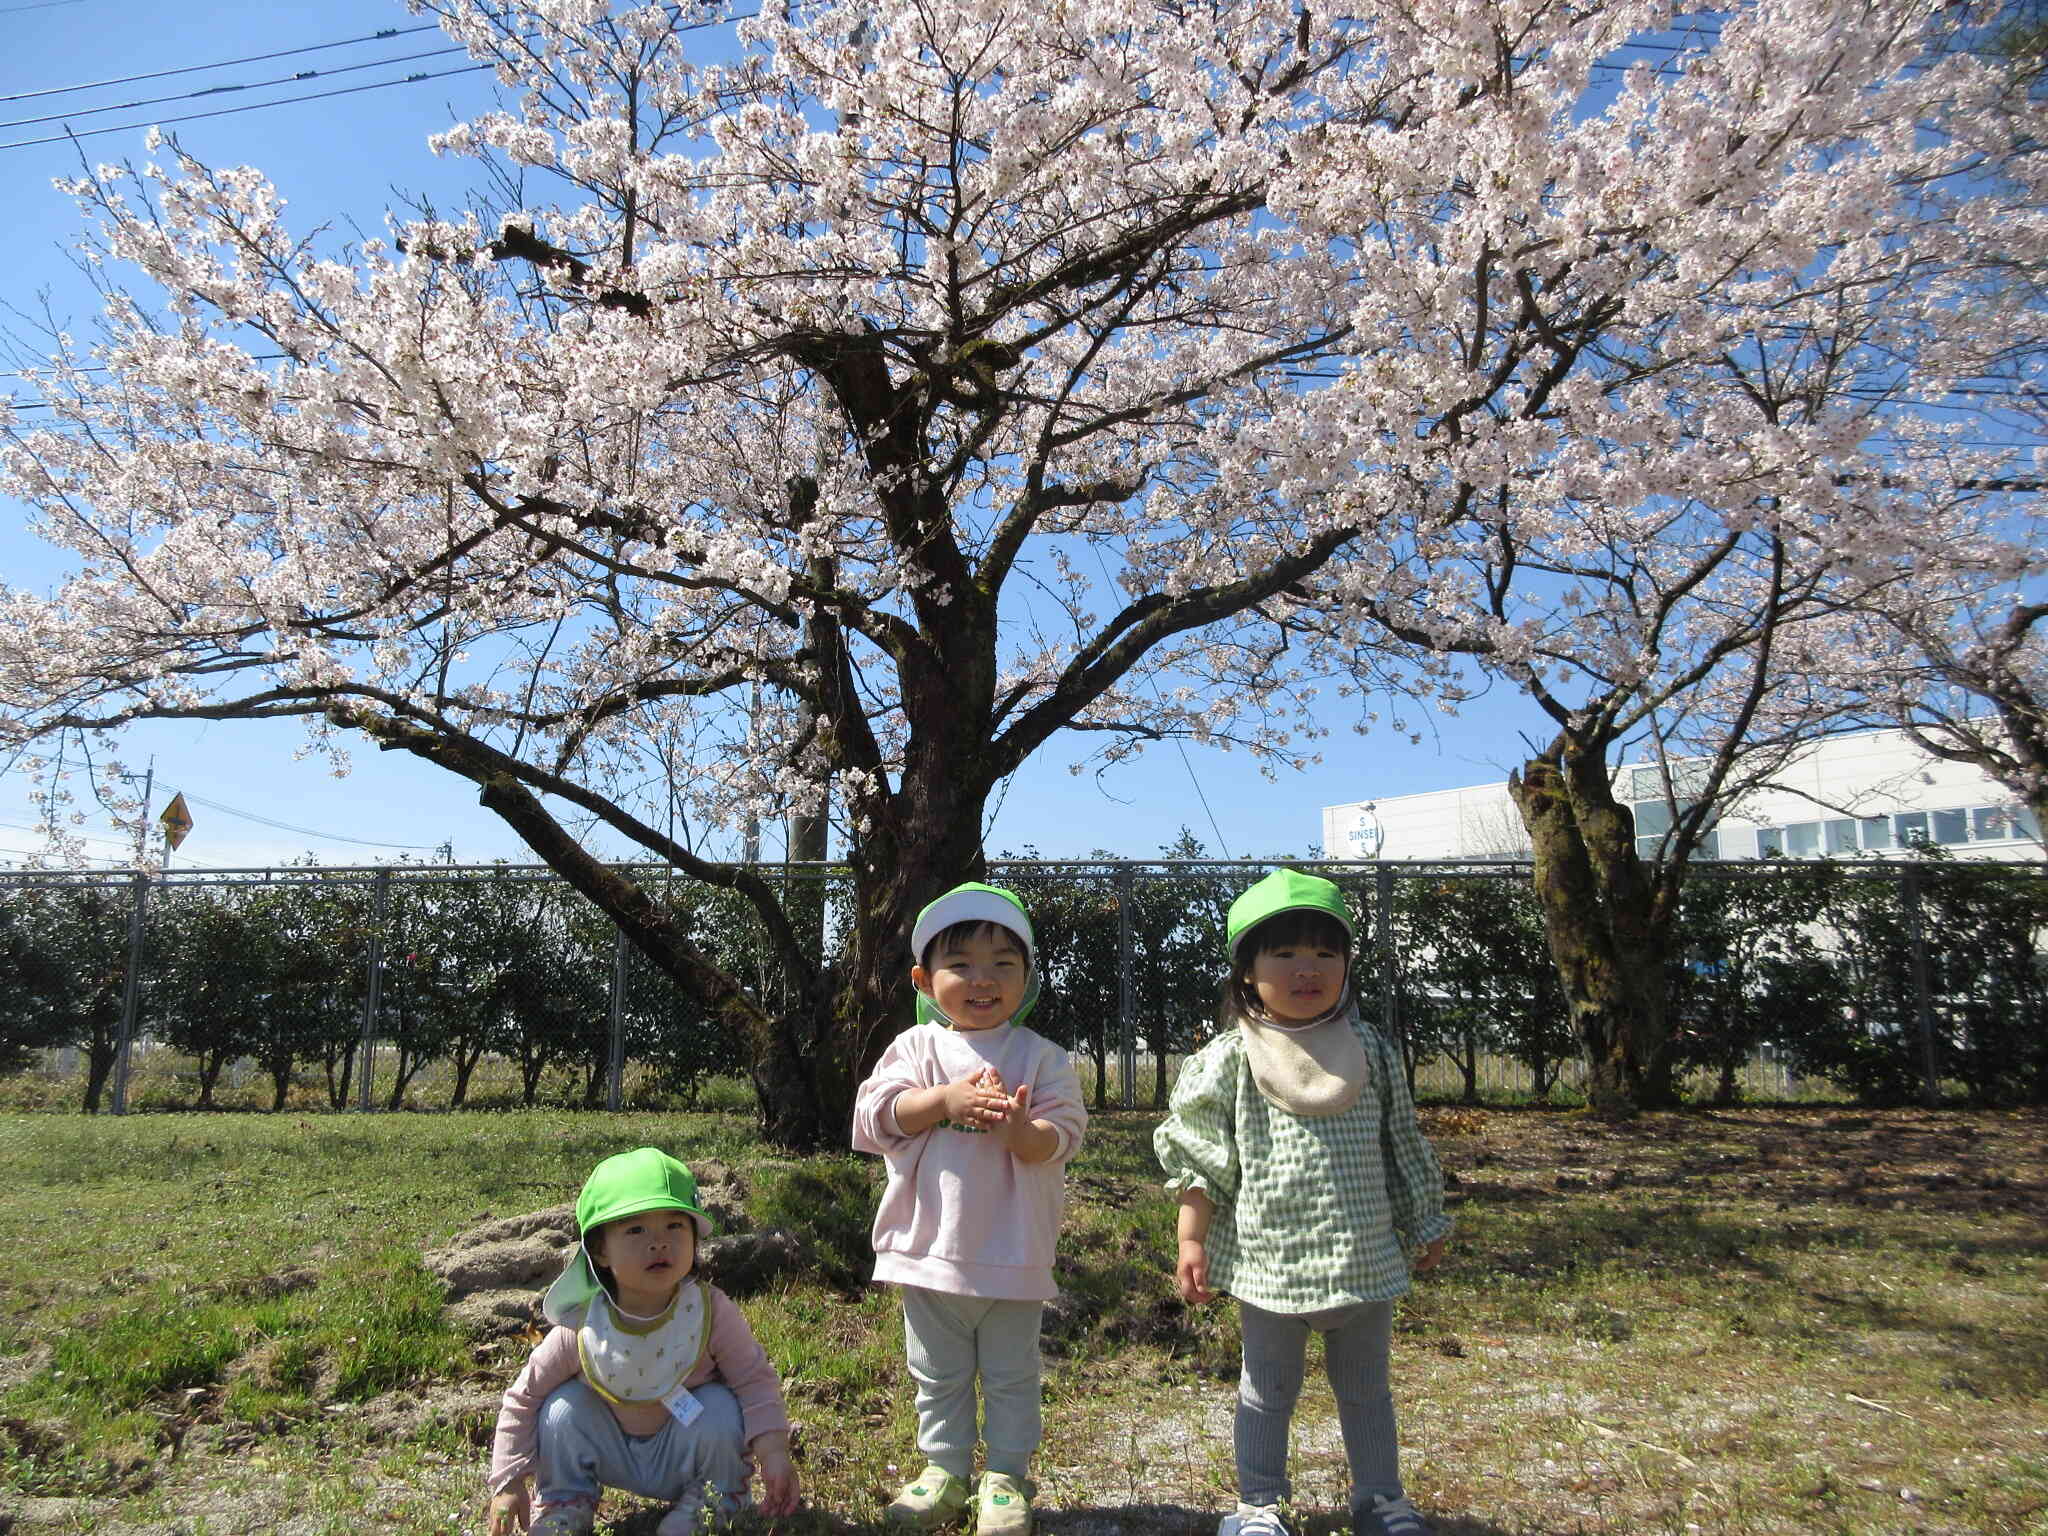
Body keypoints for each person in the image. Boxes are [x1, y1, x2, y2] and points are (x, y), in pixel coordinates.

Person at [1154, 870, 1451, 1536]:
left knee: (1368, 1391)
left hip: (1363, 1258)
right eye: (1283, 954)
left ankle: (1380, 1500)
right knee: (1266, 1391)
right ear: (1246, 972)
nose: (1306, 968)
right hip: (1271, 1265)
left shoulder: (1369, 1049)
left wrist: (1426, 1218)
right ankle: (1260, 1506)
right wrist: (1191, 1240)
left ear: (1347, 965)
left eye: (1325, 952)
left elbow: (1401, 1140)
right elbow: (1201, 1161)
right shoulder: (1230, 1058)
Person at [852, 882, 1089, 1536]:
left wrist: (1018, 1130)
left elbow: (1062, 1136)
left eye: (1003, 965)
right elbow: (874, 1118)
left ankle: (1007, 1476)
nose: (982, 980)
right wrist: (943, 1103)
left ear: (1027, 977)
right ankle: (945, 1470)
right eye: (961, 965)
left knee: (1013, 1374)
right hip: (928, 1250)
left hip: (1013, 1252)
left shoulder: (1041, 1058)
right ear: (925, 979)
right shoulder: (916, 1050)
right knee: (937, 1372)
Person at [485, 1146, 800, 1536]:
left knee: (720, 1407)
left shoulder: (710, 1311)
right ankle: (566, 1502)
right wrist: (508, 1480)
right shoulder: (584, 1325)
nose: (659, 1243)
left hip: (684, 1449)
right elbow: (523, 1396)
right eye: (636, 1230)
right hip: (609, 1449)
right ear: (599, 1250)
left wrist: (773, 1452)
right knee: (560, 1408)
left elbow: (754, 1381)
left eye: (674, 1226)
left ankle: (717, 1500)